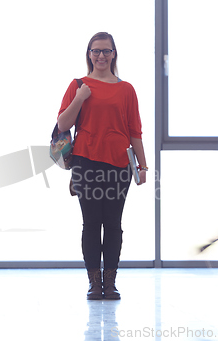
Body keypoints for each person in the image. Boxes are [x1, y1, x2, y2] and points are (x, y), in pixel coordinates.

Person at [57, 32, 147, 300]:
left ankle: (111, 281)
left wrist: (142, 165)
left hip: (119, 165)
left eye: (106, 51)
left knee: (114, 224)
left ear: (114, 54)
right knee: (91, 223)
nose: (101, 56)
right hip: (86, 163)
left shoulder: (127, 89)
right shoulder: (78, 85)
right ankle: (94, 282)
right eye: (96, 51)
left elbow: (135, 132)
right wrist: (80, 98)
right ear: (89, 54)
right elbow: (63, 125)